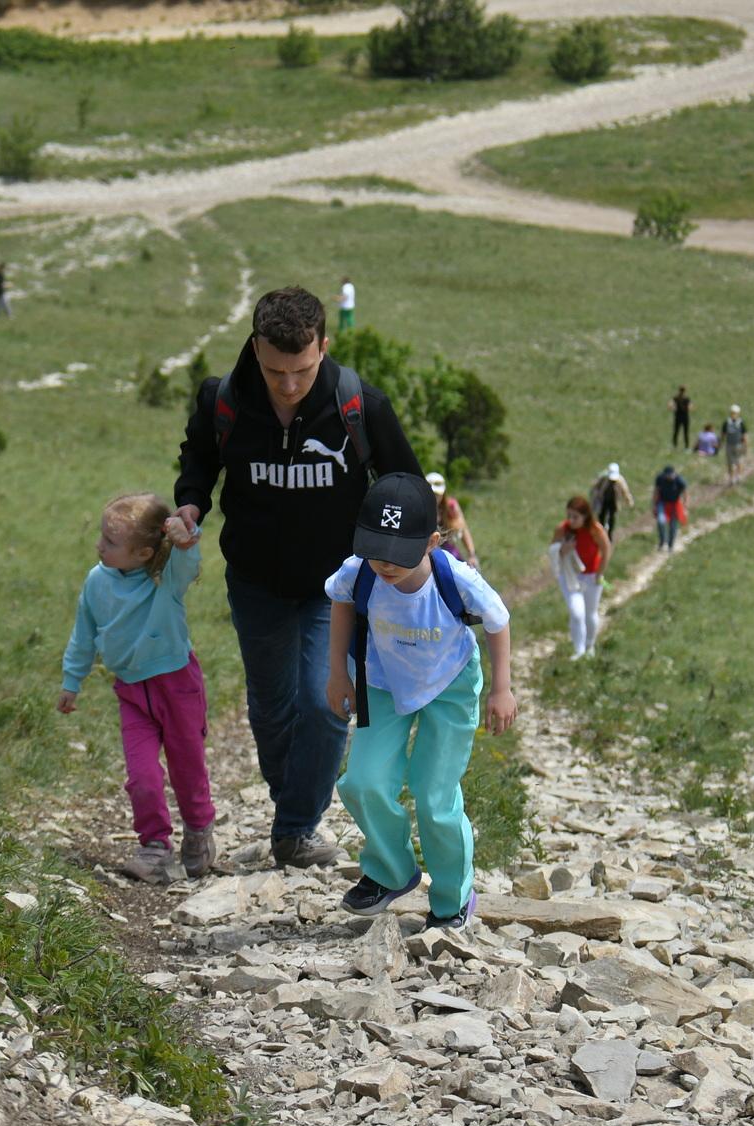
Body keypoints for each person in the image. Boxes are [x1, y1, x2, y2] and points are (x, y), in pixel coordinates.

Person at [174, 287, 421, 869]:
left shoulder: (360, 405)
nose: (288, 385)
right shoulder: (224, 400)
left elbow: (403, 481)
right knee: (272, 707)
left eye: (302, 370)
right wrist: (189, 506)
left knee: (327, 700)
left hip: (337, 587)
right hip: (255, 582)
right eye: (275, 370)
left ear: (323, 347)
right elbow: (199, 459)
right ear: (256, 347)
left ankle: (293, 829)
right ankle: (294, 813)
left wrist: (407, 556)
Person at [325, 473, 514, 930]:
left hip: (449, 686)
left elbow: (497, 621)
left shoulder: (456, 578)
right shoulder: (358, 572)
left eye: (399, 555)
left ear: (432, 542)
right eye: (376, 551)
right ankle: (390, 872)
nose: (385, 565)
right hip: (384, 681)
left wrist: (502, 688)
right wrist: (337, 674)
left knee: (434, 797)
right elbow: (341, 603)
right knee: (362, 782)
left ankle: (452, 899)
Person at [58, 494, 215, 884]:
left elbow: (188, 560)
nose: (99, 546)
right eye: (101, 538)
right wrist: (71, 682)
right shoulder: (97, 581)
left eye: (110, 542)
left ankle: (198, 831)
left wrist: (186, 536)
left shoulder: (165, 578)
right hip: (131, 691)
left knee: (187, 767)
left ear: (145, 552)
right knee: (141, 775)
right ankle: (155, 845)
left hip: (177, 687)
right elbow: (84, 634)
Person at [550, 494, 612, 659]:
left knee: (590, 613)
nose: (571, 520)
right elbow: (552, 550)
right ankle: (579, 650)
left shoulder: (595, 530)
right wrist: (563, 549)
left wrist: (600, 574)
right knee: (577, 612)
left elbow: (606, 550)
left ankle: (590, 645)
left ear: (585, 516)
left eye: (575, 517)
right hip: (570, 577)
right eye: (569, 515)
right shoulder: (562, 529)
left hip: (592, 576)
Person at [425, 471, 479, 569]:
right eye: (431, 493)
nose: (435, 497)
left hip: (448, 550)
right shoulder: (419, 508)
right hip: (425, 552)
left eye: (437, 494)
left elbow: (464, 529)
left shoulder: (451, 507)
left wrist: (472, 555)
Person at [590, 462, 634, 539]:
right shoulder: (603, 478)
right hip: (604, 500)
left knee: (612, 517)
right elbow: (595, 487)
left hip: (614, 501)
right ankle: (601, 532)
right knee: (601, 516)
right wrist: (595, 498)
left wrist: (629, 501)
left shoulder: (620, 480)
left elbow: (625, 491)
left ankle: (609, 535)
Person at [653, 465, 688, 550]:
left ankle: (670, 545)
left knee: (673, 525)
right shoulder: (660, 479)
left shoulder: (680, 481)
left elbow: (685, 494)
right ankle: (662, 542)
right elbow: (656, 491)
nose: (669, 477)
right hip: (662, 503)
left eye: (670, 475)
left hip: (675, 504)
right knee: (661, 521)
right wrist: (654, 505)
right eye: (667, 475)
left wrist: (685, 508)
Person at [723, 404, 750, 485]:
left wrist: (745, 445)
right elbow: (744, 435)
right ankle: (736, 477)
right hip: (734, 444)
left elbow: (723, 434)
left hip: (733, 444)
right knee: (737, 461)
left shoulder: (727, 422)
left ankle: (734, 478)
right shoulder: (740, 423)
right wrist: (746, 446)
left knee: (734, 462)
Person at [669, 385, 692, 450]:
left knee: (676, 431)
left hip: (678, 416)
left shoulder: (676, 398)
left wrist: (674, 408)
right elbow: (691, 407)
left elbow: (670, 405)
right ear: (684, 391)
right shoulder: (687, 398)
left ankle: (674, 446)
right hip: (685, 417)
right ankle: (686, 447)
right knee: (685, 432)